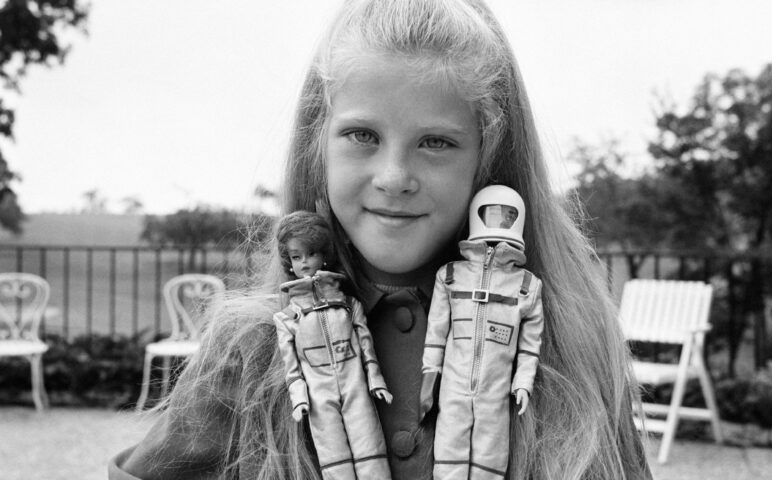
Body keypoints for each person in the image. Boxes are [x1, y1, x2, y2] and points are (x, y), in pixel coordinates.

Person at [109, 0, 652, 479]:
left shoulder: (574, 343)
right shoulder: (249, 348)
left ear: (487, 160)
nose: (395, 176)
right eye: (362, 135)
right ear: (316, 145)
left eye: (436, 142)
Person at [419, 185, 545, 480]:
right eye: (492, 214)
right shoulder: (450, 276)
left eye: (506, 216)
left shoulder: (526, 285)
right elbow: (436, 334)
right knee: (449, 452)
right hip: (453, 386)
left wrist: (523, 382)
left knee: (491, 455)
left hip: (496, 390)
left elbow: (530, 343)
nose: (498, 222)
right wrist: (429, 377)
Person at [273, 211, 393, 479]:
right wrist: (299, 398)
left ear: (324, 254)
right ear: (288, 262)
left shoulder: (349, 306)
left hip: (356, 387)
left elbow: (366, 347)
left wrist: (376, 380)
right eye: (296, 256)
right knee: (334, 460)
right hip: (319, 397)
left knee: (371, 450)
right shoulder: (287, 319)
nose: (304, 262)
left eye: (311, 253)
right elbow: (291, 365)